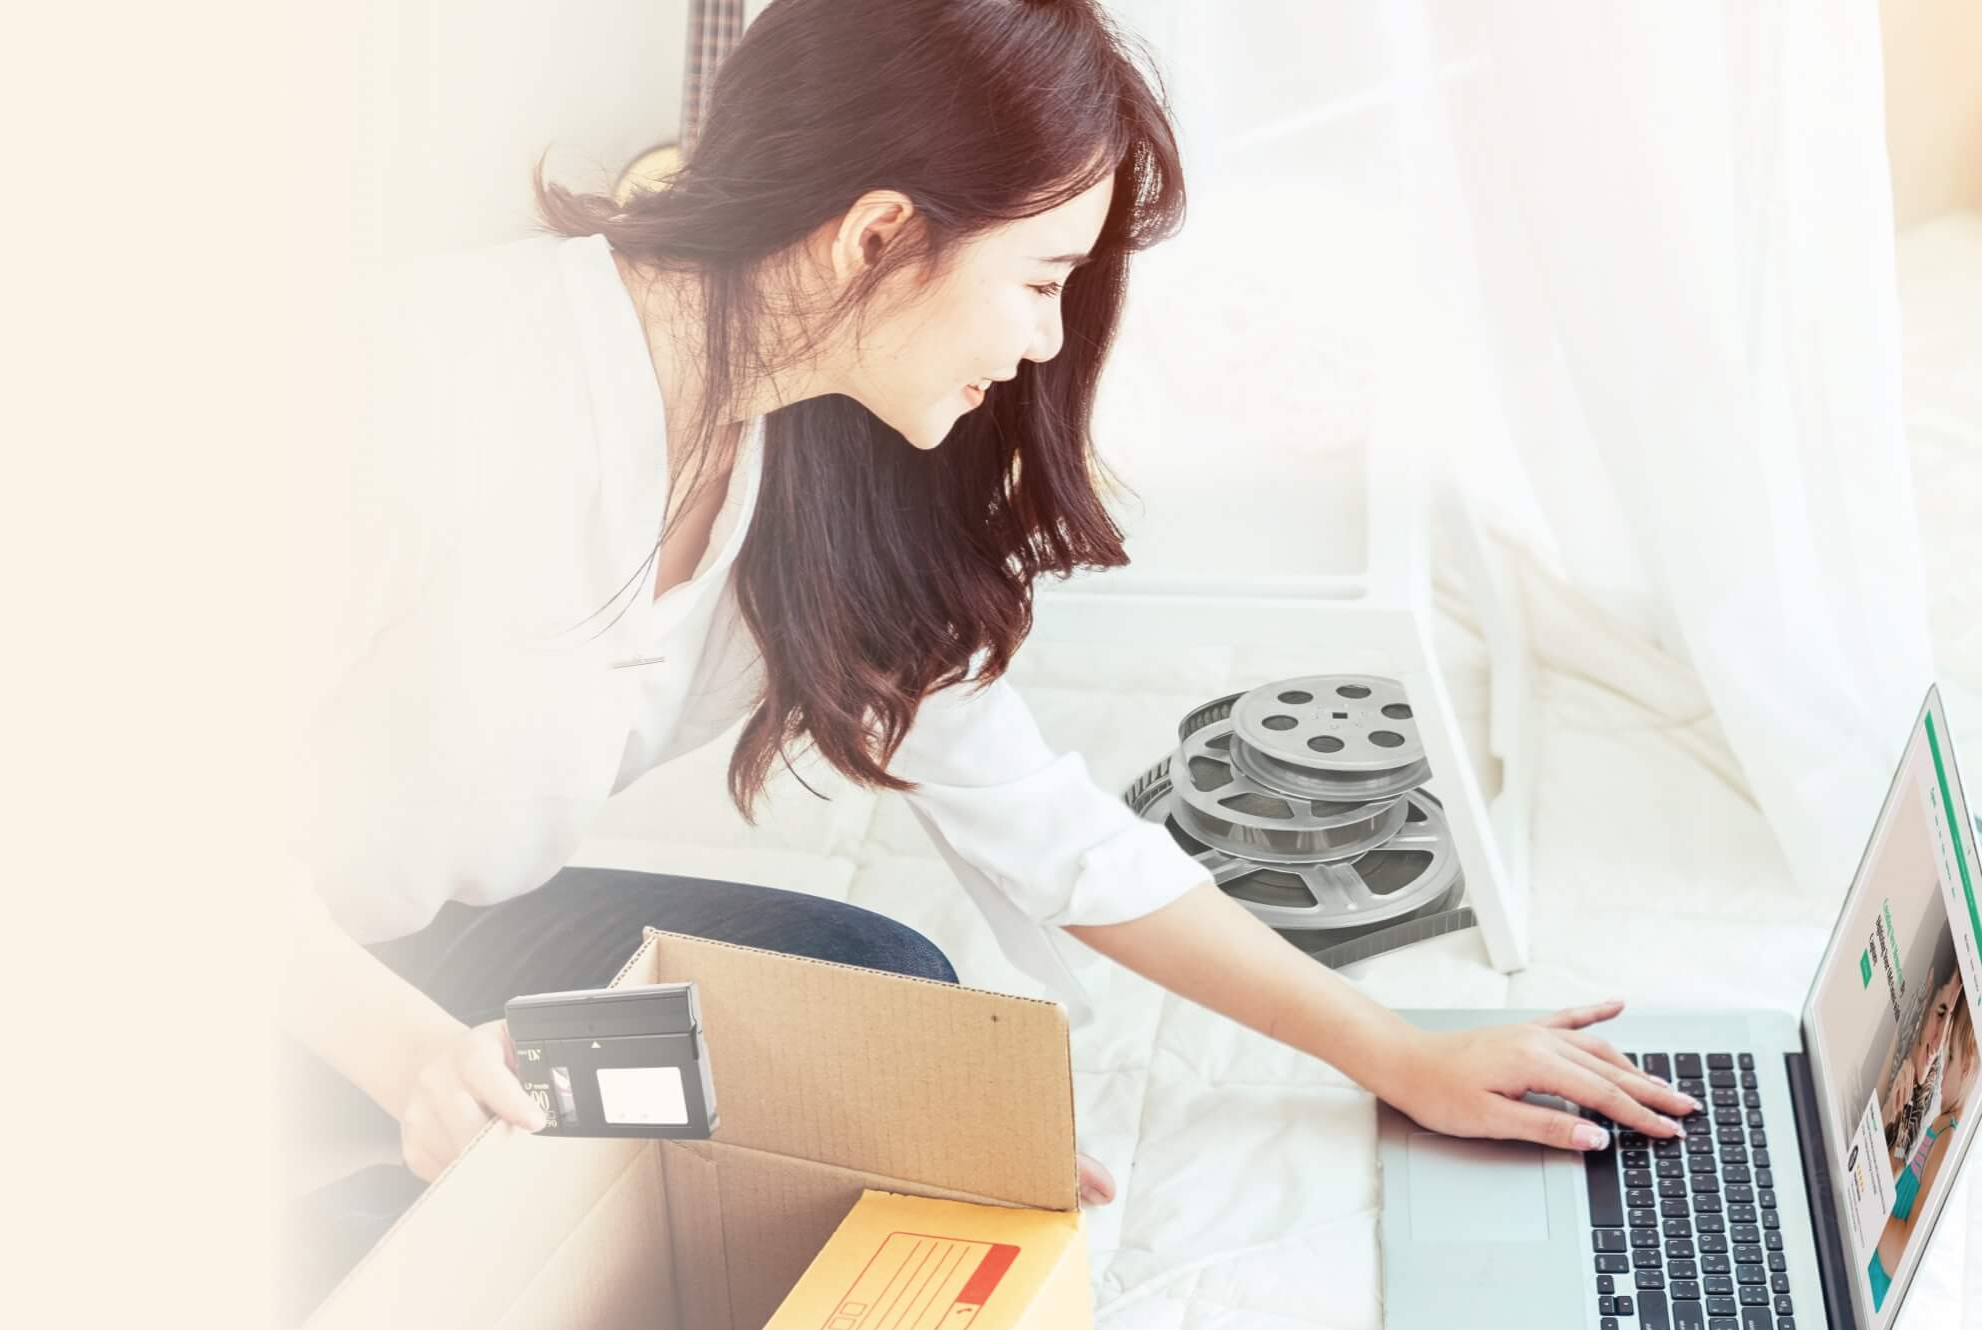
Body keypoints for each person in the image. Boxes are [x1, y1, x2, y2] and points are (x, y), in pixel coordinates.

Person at [274, 0, 1693, 1255]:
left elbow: (1049, 825)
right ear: (879, 235)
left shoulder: (814, 462)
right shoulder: (424, 388)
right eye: (1039, 279)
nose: (1045, 342)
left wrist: (1395, 1052)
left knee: (889, 1008)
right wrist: (408, 1058)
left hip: (427, 951)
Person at [1870, 966, 1973, 1307]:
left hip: (1873, 1286)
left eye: (1952, 1056)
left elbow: (1900, 1257)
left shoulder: (1946, 1136)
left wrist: (1869, 1206)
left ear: (1969, 1065)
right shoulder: (1937, 1123)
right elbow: (1900, 1177)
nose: (1942, 1061)